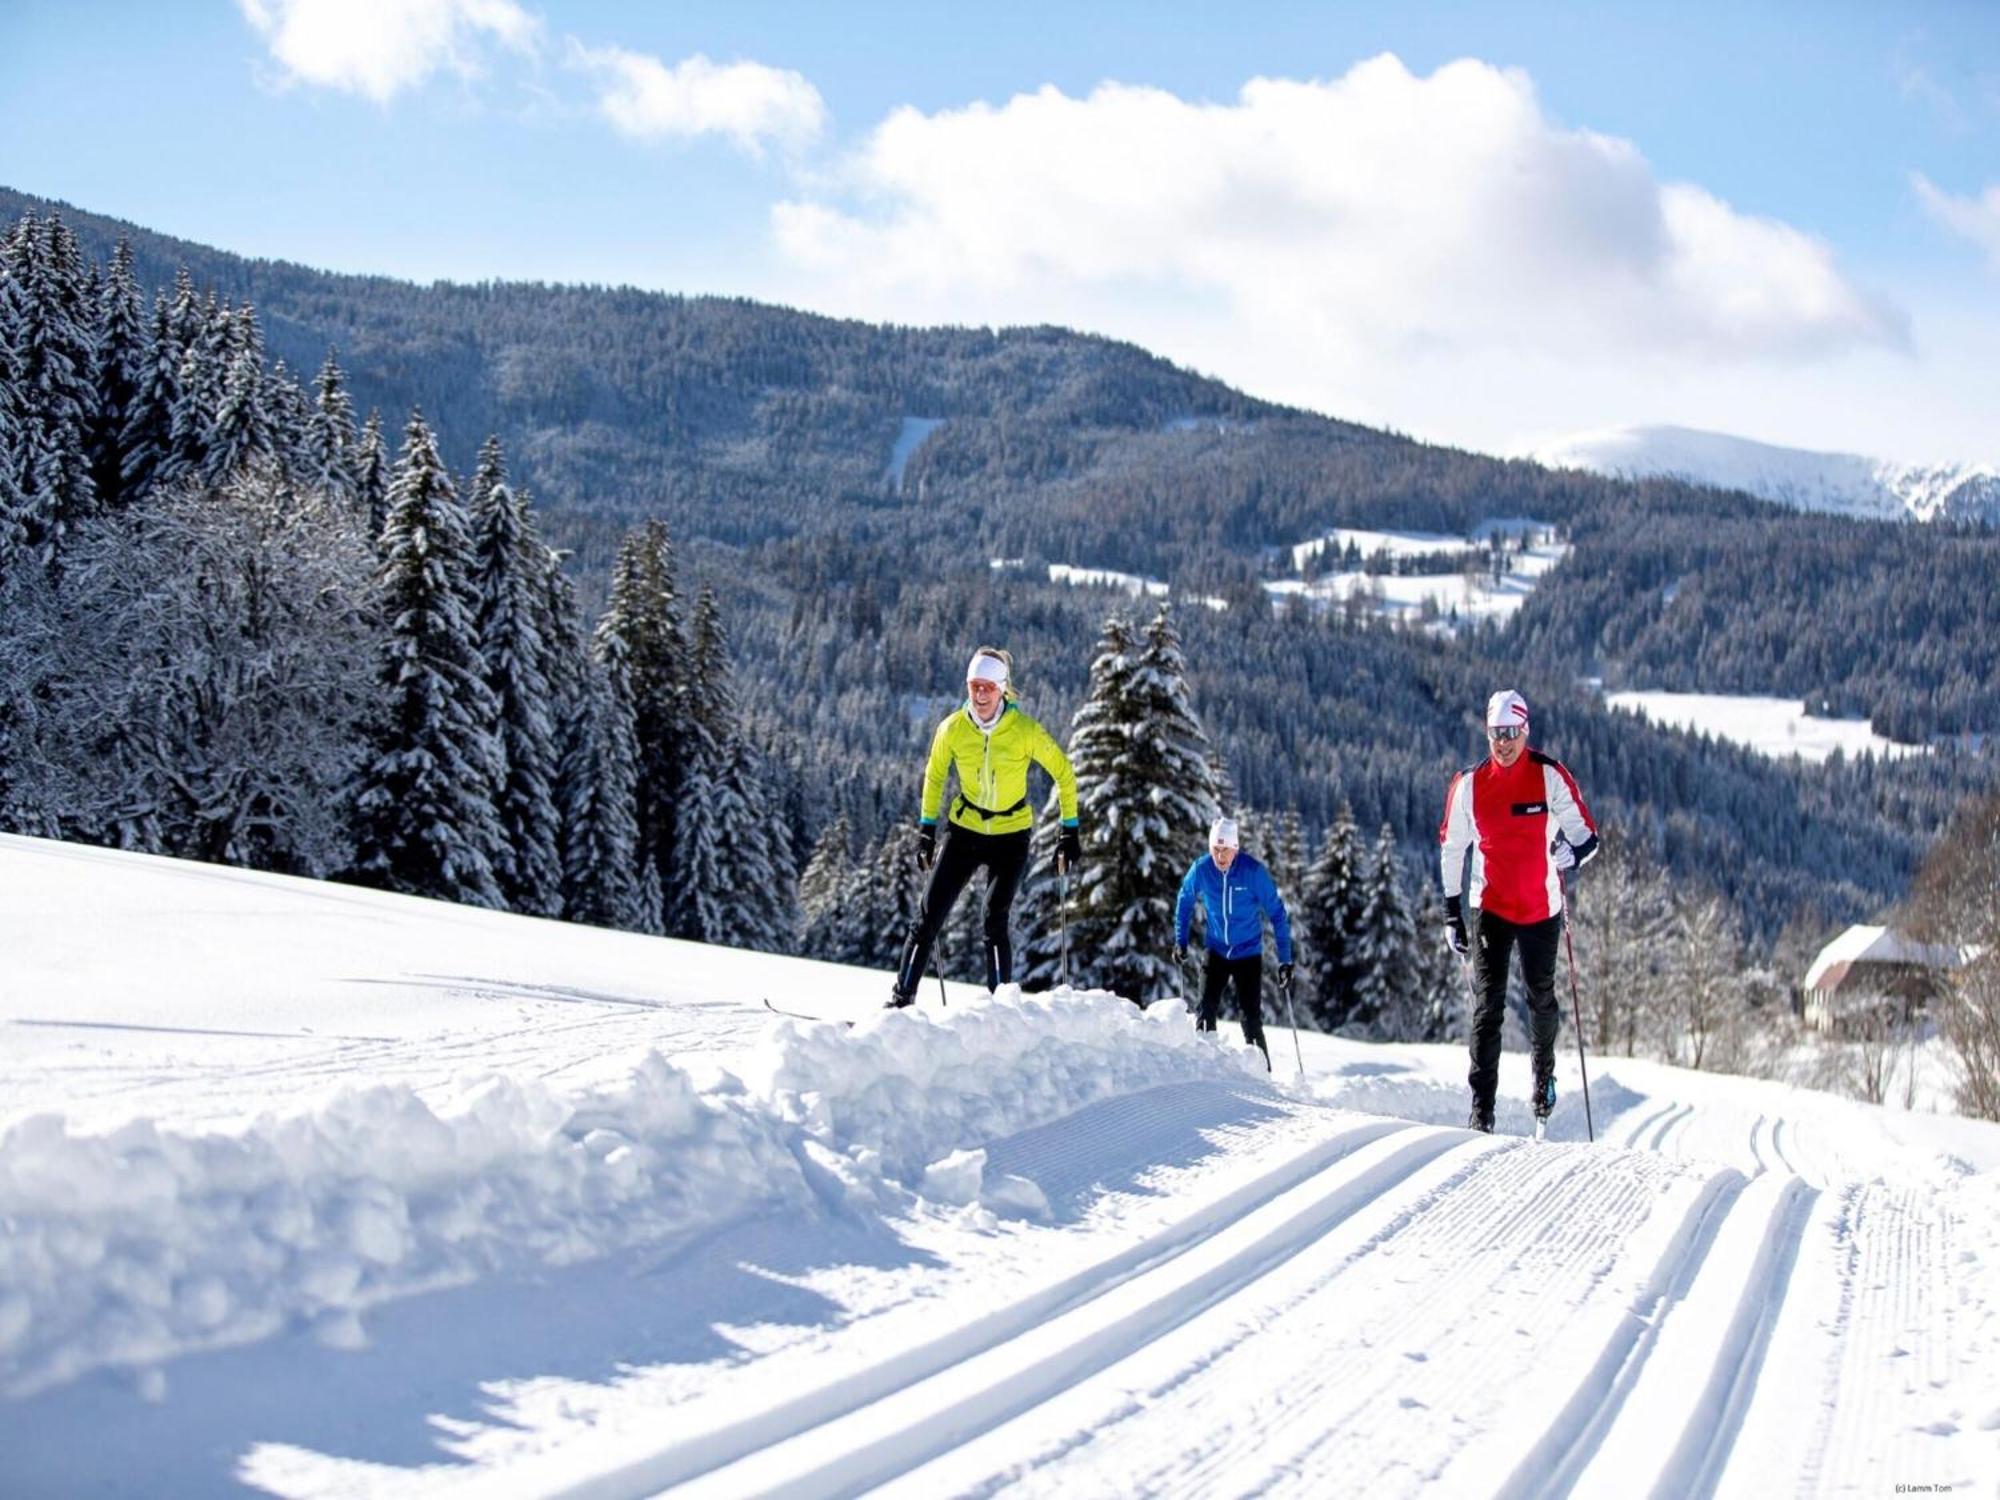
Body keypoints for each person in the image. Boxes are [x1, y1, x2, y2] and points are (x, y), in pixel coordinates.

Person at [1438, 689, 1599, 1132]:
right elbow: (1453, 848)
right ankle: (1481, 1109)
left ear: (1525, 731)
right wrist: (1452, 912)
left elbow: (1587, 835)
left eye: (1511, 732)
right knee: (1488, 1007)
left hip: (1540, 908)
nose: (1503, 742)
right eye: (1495, 733)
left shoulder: (1549, 776)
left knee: (1540, 999)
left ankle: (1543, 1075)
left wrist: (1574, 853)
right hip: (1489, 905)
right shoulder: (1469, 784)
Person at [890, 647, 1080, 1006]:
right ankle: (901, 999)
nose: (980, 694)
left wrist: (1069, 830)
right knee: (928, 916)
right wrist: (926, 830)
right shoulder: (952, 729)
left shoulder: (1025, 731)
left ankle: (999, 1011)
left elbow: (1064, 772)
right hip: (965, 831)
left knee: (994, 917)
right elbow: (934, 777)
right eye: (974, 685)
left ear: (1002, 690)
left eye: (988, 688)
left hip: (1011, 836)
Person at [1173, 816, 1294, 1070]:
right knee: (1205, 1010)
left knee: (1250, 1020)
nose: (1219, 856)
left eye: (1225, 849)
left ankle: (1263, 1075)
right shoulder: (1202, 869)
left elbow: (1277, 914)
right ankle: (1206, 1069)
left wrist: (1285, 960)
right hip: (1216, 949)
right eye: (1215, 849)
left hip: (1248, 954)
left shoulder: (1253, 872)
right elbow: (1184, 900)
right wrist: (1180, 942)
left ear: (1235, 848)